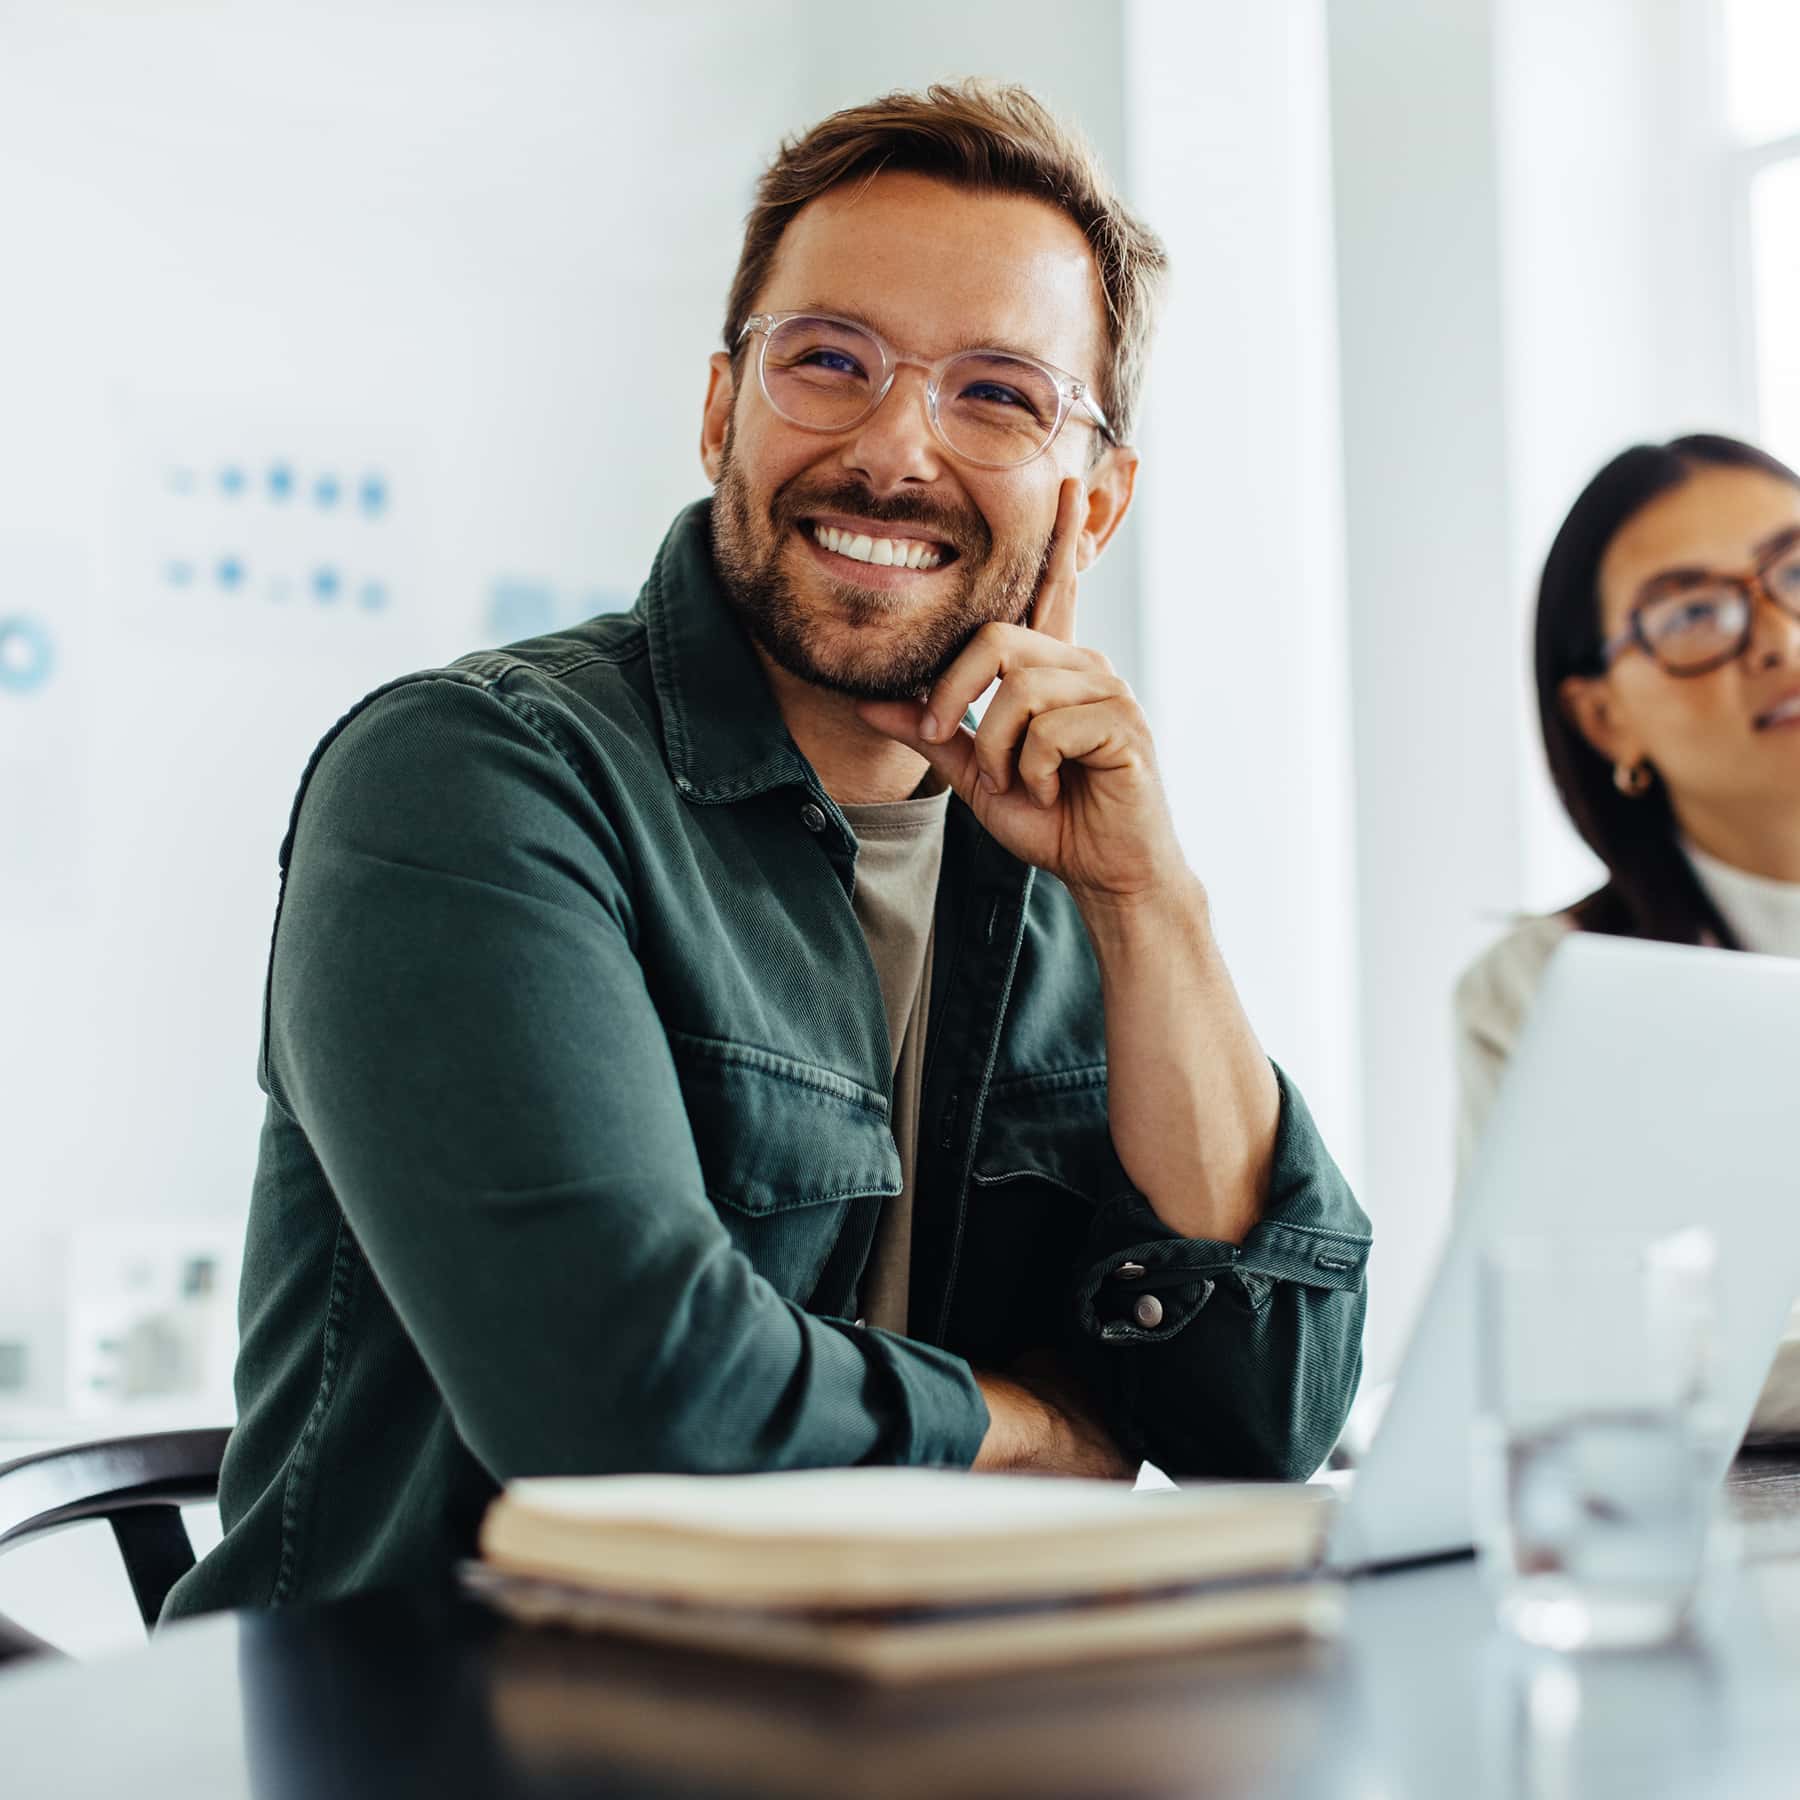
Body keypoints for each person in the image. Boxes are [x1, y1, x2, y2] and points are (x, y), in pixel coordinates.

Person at [163, 81, 1370, 1621]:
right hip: (440, 1738)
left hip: (900, 1722)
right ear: (725, 408)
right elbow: (631, 1409)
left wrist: (1148, 901)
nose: (893, 450)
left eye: (997, 394)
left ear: (1098, 499)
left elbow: (1269, 1415)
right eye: (830, 364)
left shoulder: (1066, 863)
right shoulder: (470, 780)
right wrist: (1043, 1426)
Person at [1455, 433, 1800, 1438]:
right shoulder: (1542, 991)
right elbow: (1576, 1353)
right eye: (1696, 612)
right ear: (1604, 718)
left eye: (1794, 571)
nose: (1776, 636)